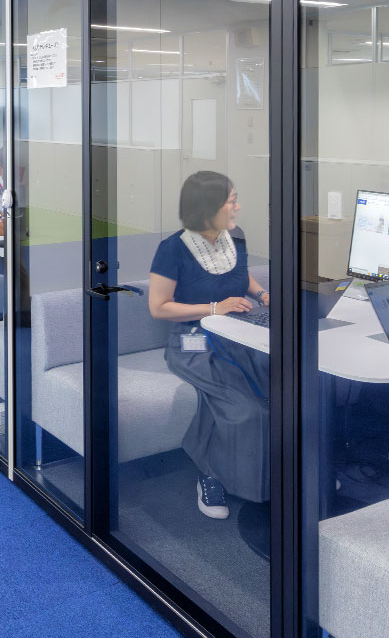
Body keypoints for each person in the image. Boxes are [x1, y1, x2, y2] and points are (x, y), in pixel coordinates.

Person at [148, 171, 271, 520]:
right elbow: (158, 307)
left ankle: (286, 473)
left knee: (282, 392)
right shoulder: (172, 249)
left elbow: (240, 274)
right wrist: (215, 308)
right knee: (247, 407)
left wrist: (262, 294)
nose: (237, 207)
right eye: (231, 201)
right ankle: (210, 474)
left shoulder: (237, 237)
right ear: (208, 207)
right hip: (191, 342)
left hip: (239, 335)